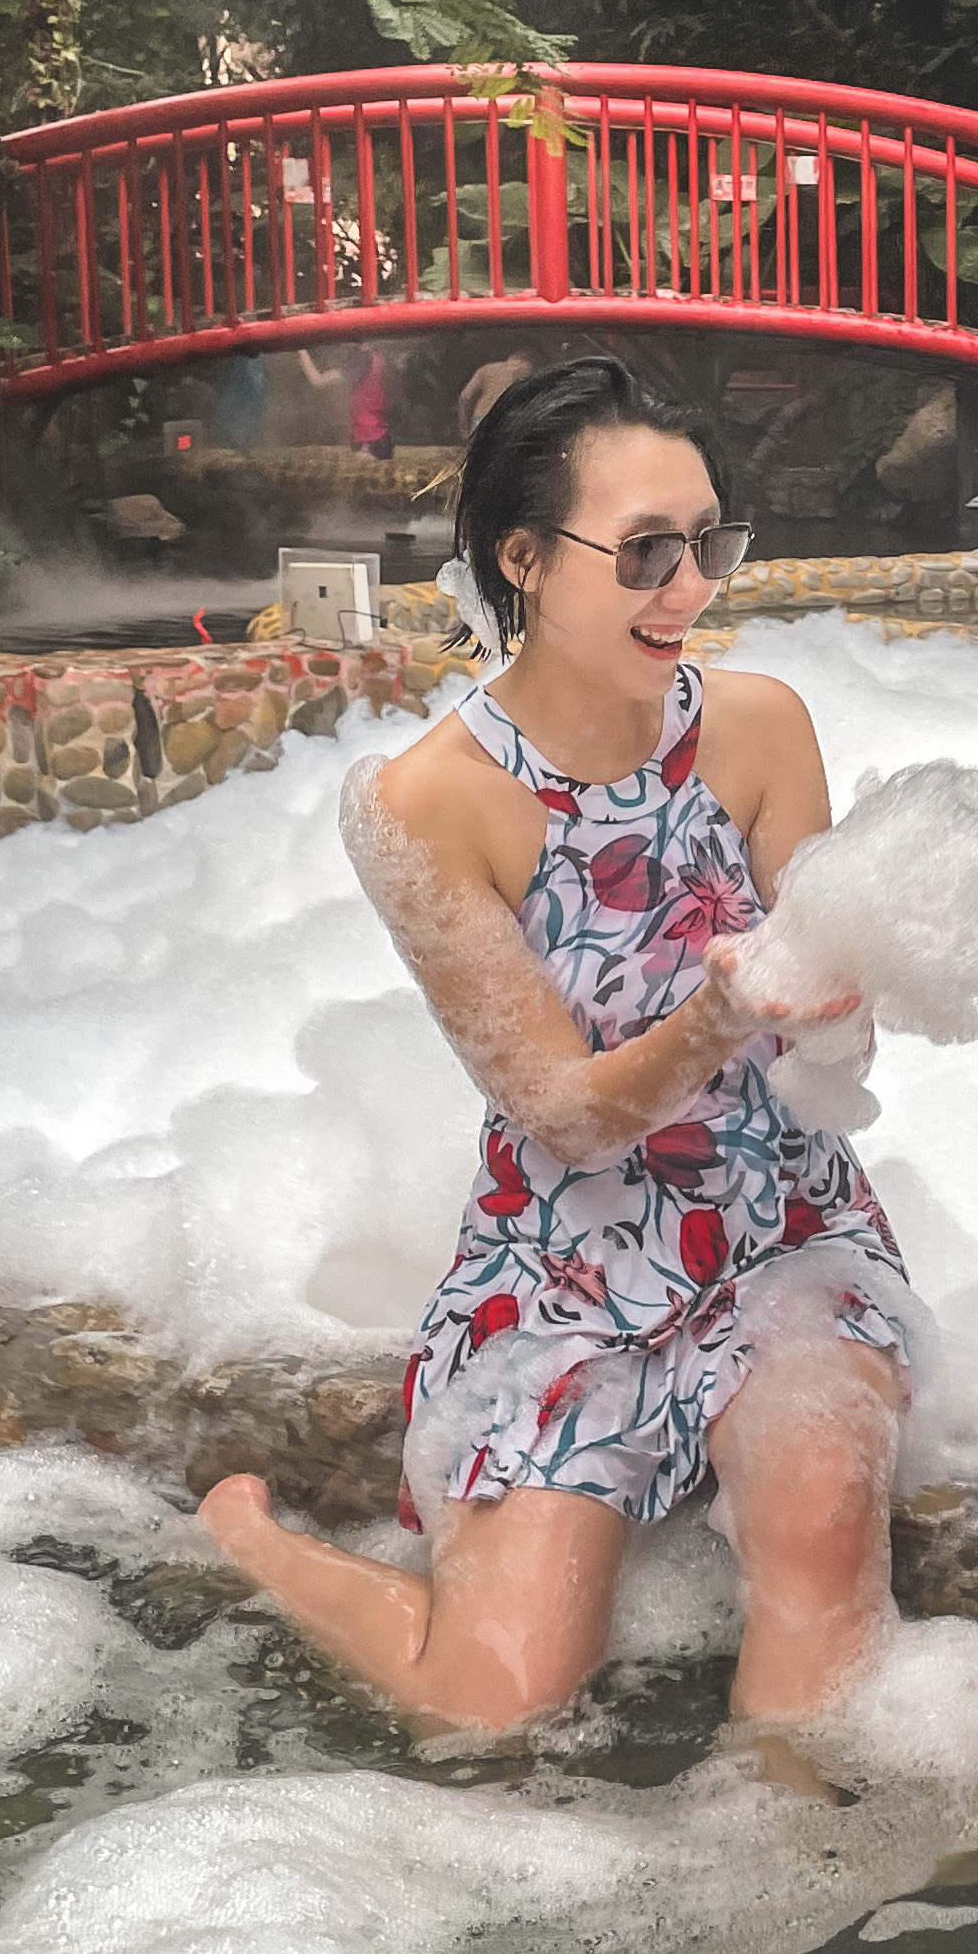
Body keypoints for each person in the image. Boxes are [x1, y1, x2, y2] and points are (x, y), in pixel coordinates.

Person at [199, 355, 912, 1748]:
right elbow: (564, 1116)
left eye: (708, 545)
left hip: (780, 1226)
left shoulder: (762, 728)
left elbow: (840, 1037)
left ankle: (789, 1860)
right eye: (644, 552)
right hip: (571, 1265)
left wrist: (848, 1001)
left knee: (823, 1538)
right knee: (496, 1701)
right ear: (522, 557)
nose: (689, 589)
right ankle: (255, 1542)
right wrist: (719, 1013)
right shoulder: (426, 804)